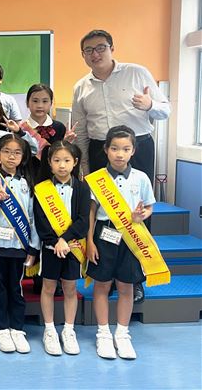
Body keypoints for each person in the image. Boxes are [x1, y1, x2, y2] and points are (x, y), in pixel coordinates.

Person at [72, 30, 170, 303]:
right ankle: (105, 274)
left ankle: (135, 278)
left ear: (112, 48)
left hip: (136, 146)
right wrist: (85, 166)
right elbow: (80, 131)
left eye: (101, 47)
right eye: (89, 50)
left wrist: (150, 104)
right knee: (102, 213)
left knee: (138, 210)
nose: (95, 54)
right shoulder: (81, 87)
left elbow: (165, 109)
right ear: (83, 55)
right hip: (99, 149)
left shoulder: (137, 73)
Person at [86, 126, 162, 360]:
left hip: (131, 237)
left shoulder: (141, 178)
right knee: (101, 285)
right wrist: (89, 242)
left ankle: (122, 334)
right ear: (106, 149)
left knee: (126, 286)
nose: (120, 154)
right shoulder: (97, 179)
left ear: (133, 151)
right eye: (115, 148)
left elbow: (149, 206)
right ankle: (103, 334)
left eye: (126, 149)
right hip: (103, 235)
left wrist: (142, 215)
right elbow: (91, 212)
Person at [0, 134, 39, 354]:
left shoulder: (27, 183)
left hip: (18, 246)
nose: (11, 157)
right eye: (6, 152)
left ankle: (17, 328)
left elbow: (32, 217)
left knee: (16, 288)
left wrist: (33, 247)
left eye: (16, 153)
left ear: (23, 156)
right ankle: (1, 329)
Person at [34, 141, 90, 356]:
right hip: (50, 247)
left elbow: (83, 221)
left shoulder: (82, 188)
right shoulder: (41, 189)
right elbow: (40, 221)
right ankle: (49, 330)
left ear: (75, 162)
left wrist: (64, 240)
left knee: (70, 288)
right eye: (57, 160)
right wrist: (55, 241)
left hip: (73, 247)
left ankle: (68, 329)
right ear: (49, 162)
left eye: (67, 160)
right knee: (48, 287)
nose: (62, 165)